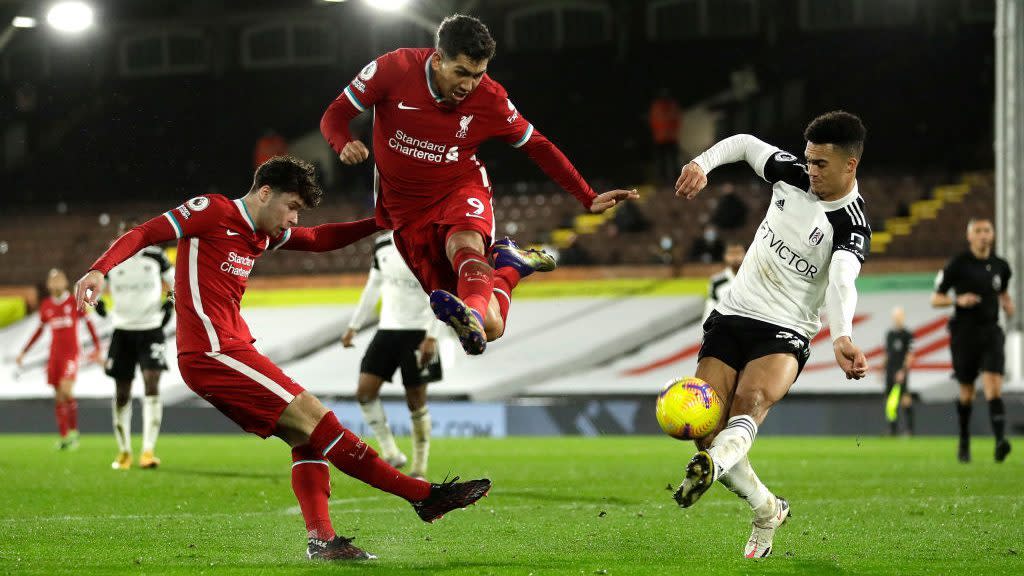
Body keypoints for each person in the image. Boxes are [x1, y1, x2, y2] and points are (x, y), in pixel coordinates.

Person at [75, 156, 490, 561]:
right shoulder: (212, 210)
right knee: (319, 419)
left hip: (230, 349)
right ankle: (423, 496)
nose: (294, 219)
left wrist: (380, 223)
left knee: (305, 436)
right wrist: (99, 269)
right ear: (265, 192)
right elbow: (145, 233)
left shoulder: (262, 233)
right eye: (291, 207)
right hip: (211, 351)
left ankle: (323, 542)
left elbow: (318, 238)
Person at [320, 14, 637, 356]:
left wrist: (586, 196)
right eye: (462, 72)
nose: (469, 85)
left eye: (478, 74)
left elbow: (537, 145)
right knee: (492, 326)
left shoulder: (491, 99)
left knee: (466, 247)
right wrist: (343, 143)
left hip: (461, 189)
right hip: (406, 213)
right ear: (438, 59)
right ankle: (511, 268)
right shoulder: (393, 69)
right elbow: (334, 116)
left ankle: (469, 310)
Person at [673, 111, 871, 558]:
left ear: (850, 165)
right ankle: (766, 508)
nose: (811, 170)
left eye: (821, 163)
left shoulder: (852, 224)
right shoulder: (793, 174)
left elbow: (842, 282)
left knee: (750, 405)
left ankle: (712, 466)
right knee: (706, 429)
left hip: (785, 329)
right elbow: (743, 142)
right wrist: (702, 163)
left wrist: (842, 336)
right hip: (733, 314)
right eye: (809, 159)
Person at [343, 231, 444, 480]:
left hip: (420, 333)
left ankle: (420, 467)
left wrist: (433, 335)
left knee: (416, 401)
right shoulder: (382, 245)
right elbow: (372, 286)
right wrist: (354, 325)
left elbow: (442, 292)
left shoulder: (430, 243)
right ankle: (390, 452)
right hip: (387, 330)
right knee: (364, 392)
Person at [932, 218, 1014, 463]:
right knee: (967, 391)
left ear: (994, 234)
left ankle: (1000, 441)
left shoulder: (1001, 266)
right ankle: (964, 440)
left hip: (991, 331)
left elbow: (1002, 291)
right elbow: (936, 298)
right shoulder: (957, 265)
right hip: (964, 333)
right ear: (970, 237)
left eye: (987, 230)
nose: (983, 235)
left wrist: (1007, 304)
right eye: (978, 231)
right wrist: (958, 300)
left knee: (993, 385)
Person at [96, 220, 175, 470]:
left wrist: (170, 303)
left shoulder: (156, 256)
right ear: (118, 236)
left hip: (151, 329)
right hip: (122, 331)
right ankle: (124, 452)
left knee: (152, 383)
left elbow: (176, 283)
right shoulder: (112, 259)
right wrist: (98, 304)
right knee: (122, 392)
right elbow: (98, 287)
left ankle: (148, 451)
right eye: (123, 233)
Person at [16, 268, 102, 449]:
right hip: (54, 355)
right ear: (48, 285)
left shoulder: (74, 301)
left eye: (59, 279)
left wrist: (97, 348)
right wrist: (24, 351)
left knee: (66, 390)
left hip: (71, 353)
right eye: (52, 280)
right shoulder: (46, 305)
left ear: (65, 283)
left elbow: (90, 324)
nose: (55, 283)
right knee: (58, 396)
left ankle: (74, 433)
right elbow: (39, 331)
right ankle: (64, 437)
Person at [882, 306, 915, 436]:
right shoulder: (889, 334)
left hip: (900, 371)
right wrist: (882, 369)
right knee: (890, 401)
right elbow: (887, 353)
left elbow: (910, 355)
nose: (897, 319)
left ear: (903, 317)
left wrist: (903, 370)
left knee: (905, 399)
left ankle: (909, 430)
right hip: (890, 371)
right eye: (895, 317)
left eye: (899, 317)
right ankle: (892, 429)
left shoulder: (907, 335)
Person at [702, 242, 746, 323]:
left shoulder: (752, 279)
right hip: (724, 331)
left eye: (738, 253)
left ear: (746, 254)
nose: (735, 257)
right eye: (731, 253)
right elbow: (709, 309)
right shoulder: (716, 282)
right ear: (725, 256)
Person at [649, 88, 682, 185]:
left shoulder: (672, 105)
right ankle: (663, 181)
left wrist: (674, 133)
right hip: (660, 138)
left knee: (674, 160)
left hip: (671, 138)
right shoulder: (656, 106)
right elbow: (653, 121)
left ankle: (678, 180)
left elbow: (677, 120)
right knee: (662, 161)